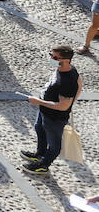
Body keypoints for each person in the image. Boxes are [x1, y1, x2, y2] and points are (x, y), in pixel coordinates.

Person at [21, 45, 82, 175]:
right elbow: (80, 84)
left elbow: (63, 106)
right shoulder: (66, 69)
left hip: (54, 117)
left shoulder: (67, 81)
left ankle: (43, 165)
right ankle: (40, 153)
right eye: (51, 55)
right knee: (39, 128)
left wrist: (38, 102)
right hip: (45, 110)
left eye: (55, 57)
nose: (51, 58)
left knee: (54, 144)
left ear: (66, 60)